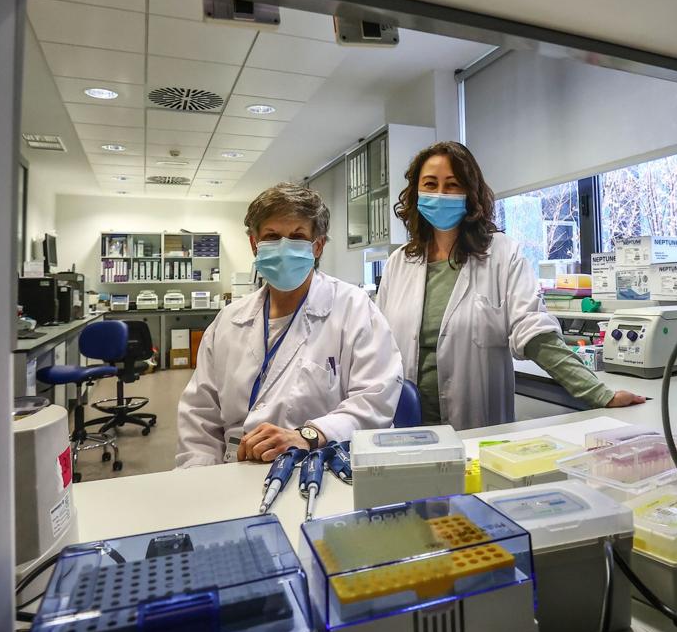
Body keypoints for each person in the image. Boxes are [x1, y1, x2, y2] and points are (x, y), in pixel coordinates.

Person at [376, 142, 645, 429]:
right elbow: (377, 348)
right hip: (406, 429)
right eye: (430, 184)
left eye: (452, 185)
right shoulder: (399, 263)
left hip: (476, 426)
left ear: (470, 192)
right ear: (416, 192)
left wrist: (599, 394)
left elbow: (535, 333)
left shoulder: (502, 255)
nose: (440, 194)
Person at [176, 183, 404, 468]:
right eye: (272, 236)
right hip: (235, 468)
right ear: (254, 244)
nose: (284, 247)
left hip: (321, 464)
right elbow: (200, 416)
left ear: (317, 245)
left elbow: (375, 400)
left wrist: (309, 435)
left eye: (297, 236)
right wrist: (199, 477)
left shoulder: (353, 308)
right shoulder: (228, 321)